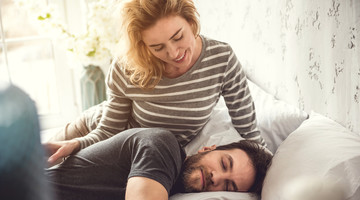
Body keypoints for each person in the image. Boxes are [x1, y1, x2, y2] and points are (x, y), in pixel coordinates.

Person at [46, 0, 266, 166]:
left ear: (191, 22)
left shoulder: (221, 59)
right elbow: (108, 131)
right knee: (24, 179)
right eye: (157, 47)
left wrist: (267, 167)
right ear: (143, 46)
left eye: (178, 37)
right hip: (91, 132)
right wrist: (76, 144)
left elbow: (250, 132)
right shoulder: (127, 66)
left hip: (140, 156)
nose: (173, 53)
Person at [46, 128, 272, 200]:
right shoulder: (164, 147)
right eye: (224, 164)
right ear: (208, 148)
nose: (217, 178)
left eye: (228, 188)